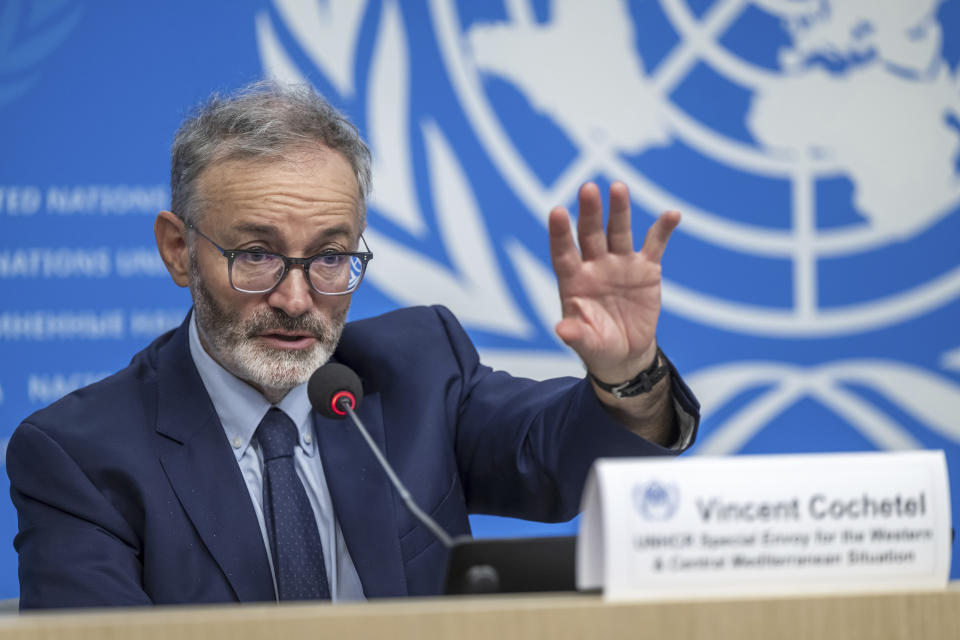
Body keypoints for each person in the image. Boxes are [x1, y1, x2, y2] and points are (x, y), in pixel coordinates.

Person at [7, 82, 699, 609]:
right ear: (179, 251)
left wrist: (626, 373)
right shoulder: (81, 457)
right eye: (256, 254)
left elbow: (556, 463)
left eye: (331, 257)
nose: (297, 298)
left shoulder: (417, 368)